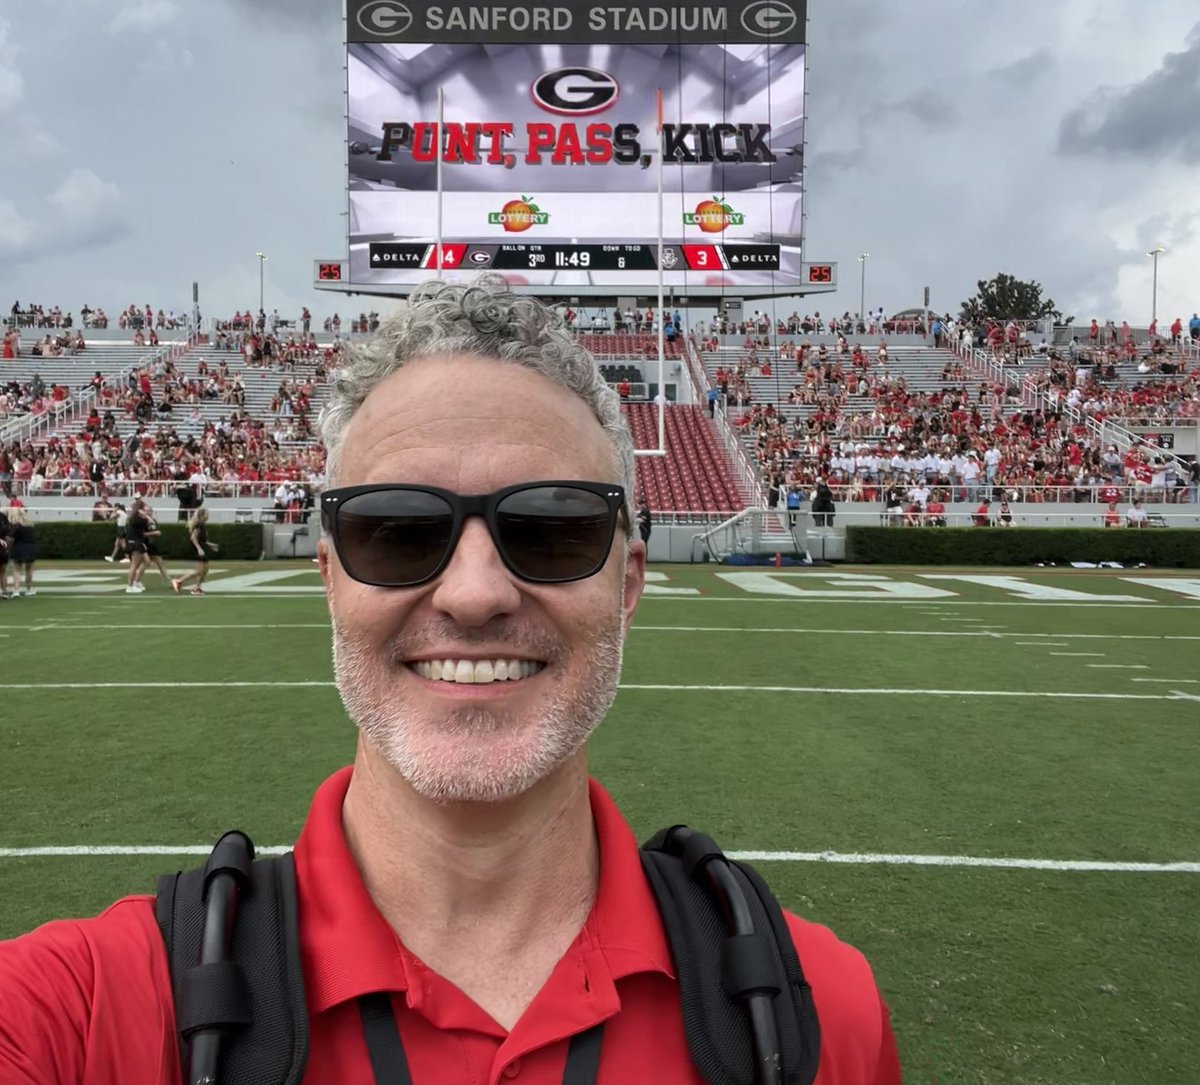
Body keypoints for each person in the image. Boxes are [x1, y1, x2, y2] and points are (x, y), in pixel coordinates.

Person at [0, 277, 901, 1083]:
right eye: (394, 530)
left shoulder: (821, 1012)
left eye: (553, 529)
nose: (475, 594)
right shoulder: (81, 1008)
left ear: (627, 583)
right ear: (331, 577)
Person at [172, 507, 219, 595]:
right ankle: (179, 581)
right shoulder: (199, 525)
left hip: (202, 549)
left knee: (205, 570)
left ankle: (197, 588)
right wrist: (199, 549)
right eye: (207, 514)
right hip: (198, 550)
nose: (208, 516)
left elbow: (203, 540)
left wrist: (211, 545)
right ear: (202, 515)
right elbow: (193, 538)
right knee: (199, 571)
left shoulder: (203, 525)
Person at [7, 506, 35, 595]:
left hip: (19, 547)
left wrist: (7, 545)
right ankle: (29, 589)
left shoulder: (16, 526)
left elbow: (10, 539)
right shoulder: (30, 525)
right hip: (30, 547)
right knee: (29, 569)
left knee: (17, 569)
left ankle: (16, 590)